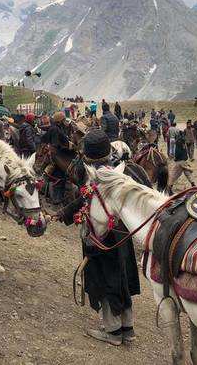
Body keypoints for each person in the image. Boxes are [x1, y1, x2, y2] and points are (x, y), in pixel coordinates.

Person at [61, 129, 141, 346]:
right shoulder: (123, 169)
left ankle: (113, 331)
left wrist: (61, 214)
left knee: (105, 280)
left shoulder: (94, 175)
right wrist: (62, 215)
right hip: (122, 235)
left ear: (86, 154)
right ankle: (127, 327)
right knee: (121, 277)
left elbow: (83, 199)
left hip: (100, 237)